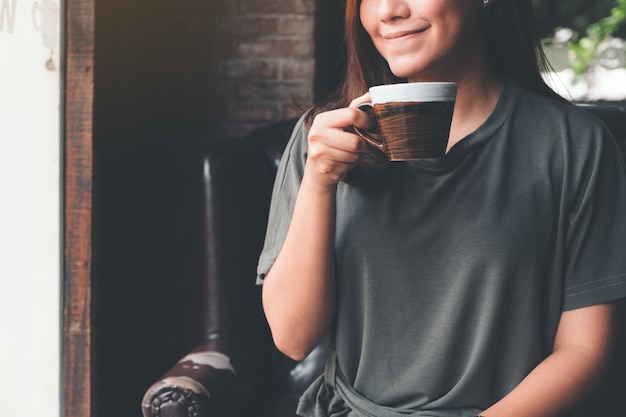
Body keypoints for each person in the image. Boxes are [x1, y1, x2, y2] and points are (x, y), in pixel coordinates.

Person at [256, 0, 626, 416]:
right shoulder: (324, 138)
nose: (388, 11)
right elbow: (293, 337)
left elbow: (584, 349)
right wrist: (319, 183)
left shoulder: (574, 145)